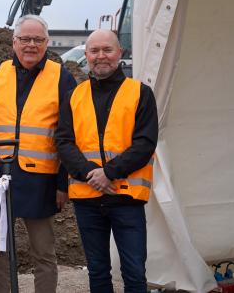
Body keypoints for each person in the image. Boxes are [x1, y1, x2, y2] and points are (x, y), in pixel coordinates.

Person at [0, 15, 77, 293]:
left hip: (41, 180)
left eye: (37, 39)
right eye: (25, 39)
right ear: (14, 42)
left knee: (43, 252)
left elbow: (69, 135)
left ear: (47, 43)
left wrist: (63, 184)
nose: (31, 45)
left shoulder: (62, 78)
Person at [55, 29, 158, 293]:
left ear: (119, 53)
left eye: (107, 50)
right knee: (98, 271)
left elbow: (145, 143)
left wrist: (108, 173)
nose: (101, 56)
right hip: (87, 198)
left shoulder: (140, 93)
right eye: (94, 51)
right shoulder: (74, 96)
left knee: (134, 272)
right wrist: (92, 174)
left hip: (126, 197)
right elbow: (64, 142)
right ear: (87, 55)